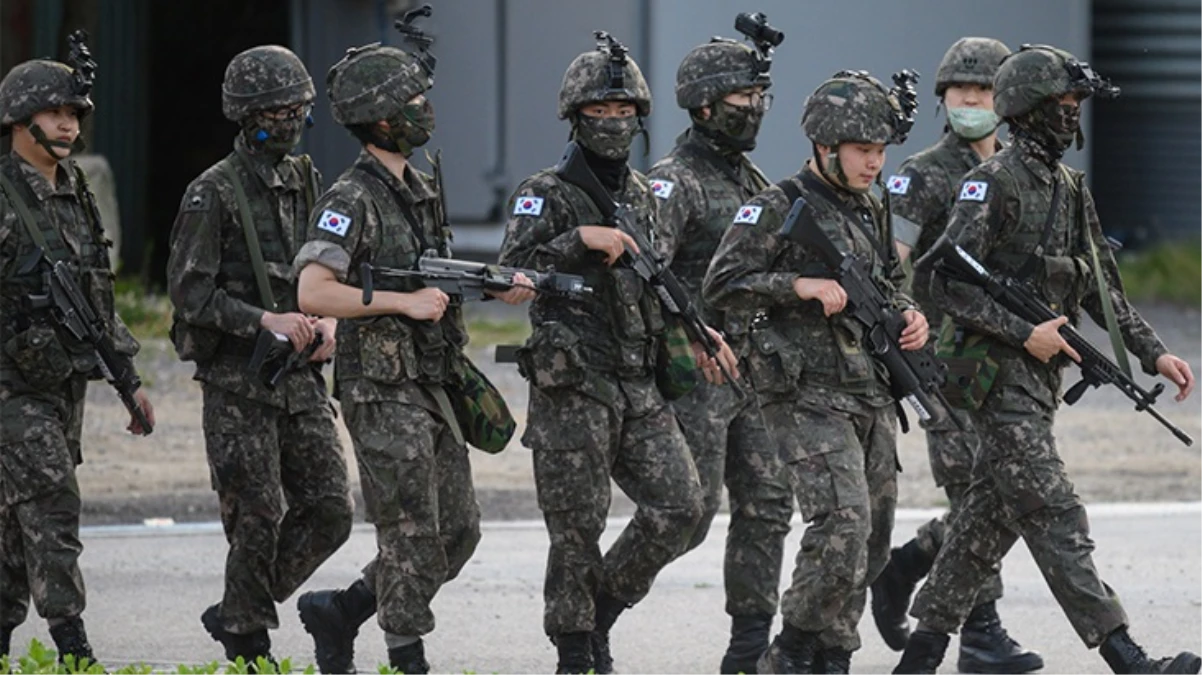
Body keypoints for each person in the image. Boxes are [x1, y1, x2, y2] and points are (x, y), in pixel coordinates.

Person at [891, 45, 1200, 675]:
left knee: (982, 527)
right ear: (1029, 111)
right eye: (1061, 106)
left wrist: (1153, 353)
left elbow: (1101, 290)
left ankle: (918, 657)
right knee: (1056, 512)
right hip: (989, 378)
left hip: (1035, 383)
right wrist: (1020, 329)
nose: (1070, 116)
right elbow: (939, 279)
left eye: (1074, 106)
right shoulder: (992, 182)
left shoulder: (1068, 187)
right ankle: (1127, 657)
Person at [290, 36, 533, 675]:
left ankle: (341, 610)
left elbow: (431, 278)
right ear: (380, 116)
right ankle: (405, 657)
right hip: (381, 387)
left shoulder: (420, 187)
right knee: (408, 532)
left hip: (434, 381)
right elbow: (313, 289)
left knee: (459, 530)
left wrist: (492, 285)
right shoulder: (350, 198)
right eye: (414, 101)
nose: (428, 110)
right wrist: (401, 304)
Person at [499, 32, 736, 675]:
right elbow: (508, 277)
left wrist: (698, 332)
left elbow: (658, 279)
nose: (613, 124)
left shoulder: (643, 194)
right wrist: (576, 240)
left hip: (639, 383)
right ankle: (575, 651)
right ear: (576, 120)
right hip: (575, 383)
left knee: (682, 506)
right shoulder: (544, 191)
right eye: (599, 113)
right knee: (576, 526)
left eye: (624, 112)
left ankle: (600, 610)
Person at [703, 70, 928, 674]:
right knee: (842, 527)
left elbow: (891, 281)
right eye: (863, 151)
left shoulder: (872, 206)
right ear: (825, 147)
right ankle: (789, 651)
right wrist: (797, 285)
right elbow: (722, 285)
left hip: (869, 391)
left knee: (873, 542)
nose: (874, 163)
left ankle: (833, 656)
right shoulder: (774, 207)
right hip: (803, 392)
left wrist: (910, 315)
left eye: (881, 152)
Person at [165, 45, 354, 664]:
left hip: (299, 377)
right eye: (279, 108)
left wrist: (326, 320)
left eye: (299, 106)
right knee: (259, 513)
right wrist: (263, 320)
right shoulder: (212, 192)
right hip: (238, 379)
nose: (293, 118)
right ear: (247, 115)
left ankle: (239, 608)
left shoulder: (306, 181)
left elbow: (327, 268)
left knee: (330, 510)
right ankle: (248, 643)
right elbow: (190, 292)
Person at [871, 36, 1044, 673]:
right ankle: (981, 634)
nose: (972, 100)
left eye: (983, 90)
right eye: (960, 91)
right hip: (943, 356)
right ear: (944, 99)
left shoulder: (1019, 167)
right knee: (978, 487)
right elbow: (896, 255)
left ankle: (906, 565)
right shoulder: (924, 173)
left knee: (1002, 491)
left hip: (1008, 359)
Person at [0, 48, 154, 664]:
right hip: (10, 388)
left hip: (65, 386)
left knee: (13, 531)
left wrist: (128, 380)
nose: (67, 125)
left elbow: (97, 298)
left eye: (73, 113)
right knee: (53, 507)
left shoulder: (77, 191)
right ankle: (75, 648)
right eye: (53, 112)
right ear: (18, 119)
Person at [647, 32, 792, 675]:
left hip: (755, 371)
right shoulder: (673, 183)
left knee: (768, 503)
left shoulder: (753, 178)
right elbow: (647, 274)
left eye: (761, 94)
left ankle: (748, 647)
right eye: (742, 95)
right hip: (700, 370)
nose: (755, 107)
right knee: (689, 513)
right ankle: (596, 608)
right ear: (704, 105)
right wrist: (689, 340)